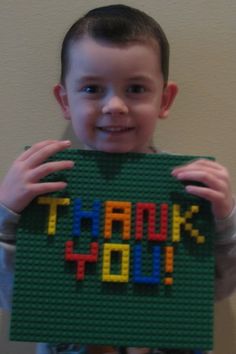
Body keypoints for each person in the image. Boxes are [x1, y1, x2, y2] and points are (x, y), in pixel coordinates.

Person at [0, 4, 235, 354]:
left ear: (164, 99)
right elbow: (11, 297)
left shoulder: (189, 189)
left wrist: (225, 222)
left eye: (136, 89)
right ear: (65, 101)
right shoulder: (42, 186)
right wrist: (7, 216)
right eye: (92, 89)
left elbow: (214, 291)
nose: (115, 106)